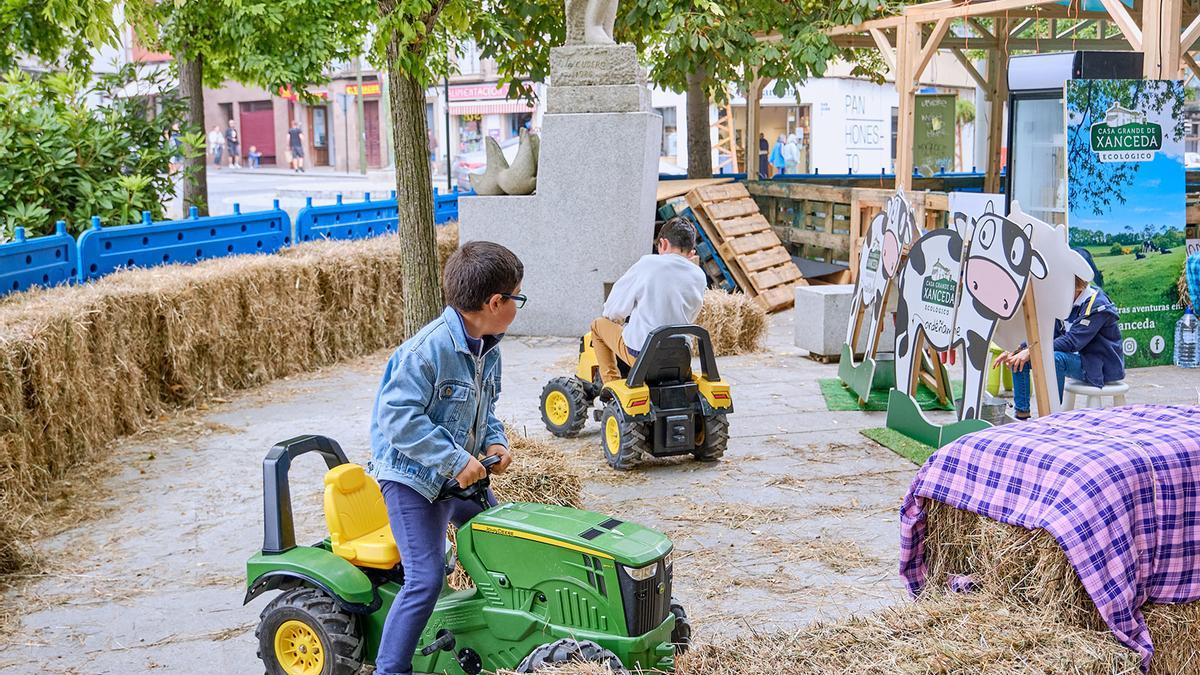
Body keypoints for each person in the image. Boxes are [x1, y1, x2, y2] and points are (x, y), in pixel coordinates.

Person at [368, 240, 522, 675]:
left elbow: (483, 409)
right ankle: (390, 669)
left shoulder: (487, 347)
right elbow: (397, 418)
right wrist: (454, 459)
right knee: (426, 578)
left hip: (459, 479)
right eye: (518, 298)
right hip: (413, 482)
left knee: (502, 545)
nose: (517, 307)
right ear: (495, 302)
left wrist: (496, 442)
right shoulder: (428, 351)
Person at [995, 251, 1124, 420]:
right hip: (1076, 360)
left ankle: (1053, 415)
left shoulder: (1097, 305)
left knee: (1054, 358)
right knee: (1019, 359)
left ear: (1078, 283)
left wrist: (1032, 351)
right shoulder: (1064, 301)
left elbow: (1072, 342)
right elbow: (1049, 334)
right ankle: (1021, 415)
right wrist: (1019, 349)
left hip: (1098, 366)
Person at [589, 217, 707, 385]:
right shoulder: (699, 275)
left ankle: (609, 386)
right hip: (680, 357)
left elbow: (613, 310)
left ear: (663, 244)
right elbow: (693, 313)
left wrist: (616, 319)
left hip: (642, 356)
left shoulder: (647, 264)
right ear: (691, 254)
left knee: (598, 325)